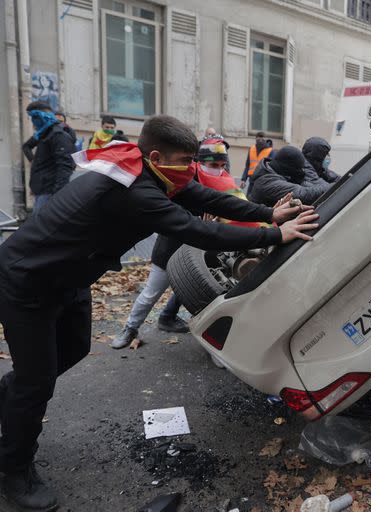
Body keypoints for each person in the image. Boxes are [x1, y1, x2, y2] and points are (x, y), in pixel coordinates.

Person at [0, 115, 318, 510]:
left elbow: (204, 197)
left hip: (70, 276)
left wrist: (268, 214)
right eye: (186, 160)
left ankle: (9, 397)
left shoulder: (149, 169)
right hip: (28, 280)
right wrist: (274, 235)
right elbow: (199, 231)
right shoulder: (133, 191)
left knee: (75, 348)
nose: (191, 168)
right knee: (37, 382)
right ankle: (13, 467)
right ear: (155, 155)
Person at [111, 135, 239, 349]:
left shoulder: (223, 182)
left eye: (221, 165)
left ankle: (211, 343)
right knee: (151, 292)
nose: (218, 169)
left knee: (197, 291)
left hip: (198, 253)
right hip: (171, 248)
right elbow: (170, 213)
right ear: (199, 162)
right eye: (212, 164)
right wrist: (199, 221)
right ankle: (130, 329)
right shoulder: (182, 179)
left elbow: (230, 206)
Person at [21, 101, 76, 212]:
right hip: (42, 192)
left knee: (43, 227)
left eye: (34, 117)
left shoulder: (58, 135)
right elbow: (28, 148)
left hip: (50, 193)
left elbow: (65, 166)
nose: (33, 122)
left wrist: (57, 195)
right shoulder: (44, 135)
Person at [247, 146, 330, 206]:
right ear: (288, 168)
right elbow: (304, 194)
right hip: (263, 227)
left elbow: (305, 184)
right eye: (299, 168)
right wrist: (333, 187)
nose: (301, 171)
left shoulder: (274, 172)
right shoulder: (267, 182)